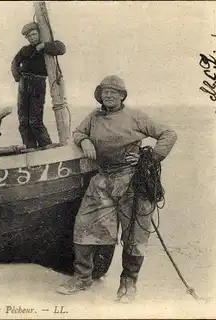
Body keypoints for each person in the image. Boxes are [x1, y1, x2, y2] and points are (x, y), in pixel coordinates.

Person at [56, 75, 178, 302]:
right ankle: (82, 278)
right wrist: (85, 142)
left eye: (113, 92)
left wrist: (154, 159)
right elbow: (79, 133)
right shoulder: (94, 116)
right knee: (84, 228)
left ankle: (128, 285)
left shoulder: (135, 116)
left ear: (122, 95)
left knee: (134, 235)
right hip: (102, 180)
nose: (109, 95)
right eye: (105, 92)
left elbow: (168, 134)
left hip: (131, 181)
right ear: (100, 96)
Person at [11, 22, 66, 149]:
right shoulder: (25, 50)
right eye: (29, 36)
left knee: (35, 120)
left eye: (34, 34)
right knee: (23, 120)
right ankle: (30, 148)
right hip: (24, 83)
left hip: (38, 83)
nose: (32, 38)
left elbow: (62, 48)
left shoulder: (47, 47)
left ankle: (46, 146)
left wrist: (44, 45)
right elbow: (14, 63)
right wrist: (18, 78)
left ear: (39, 33)